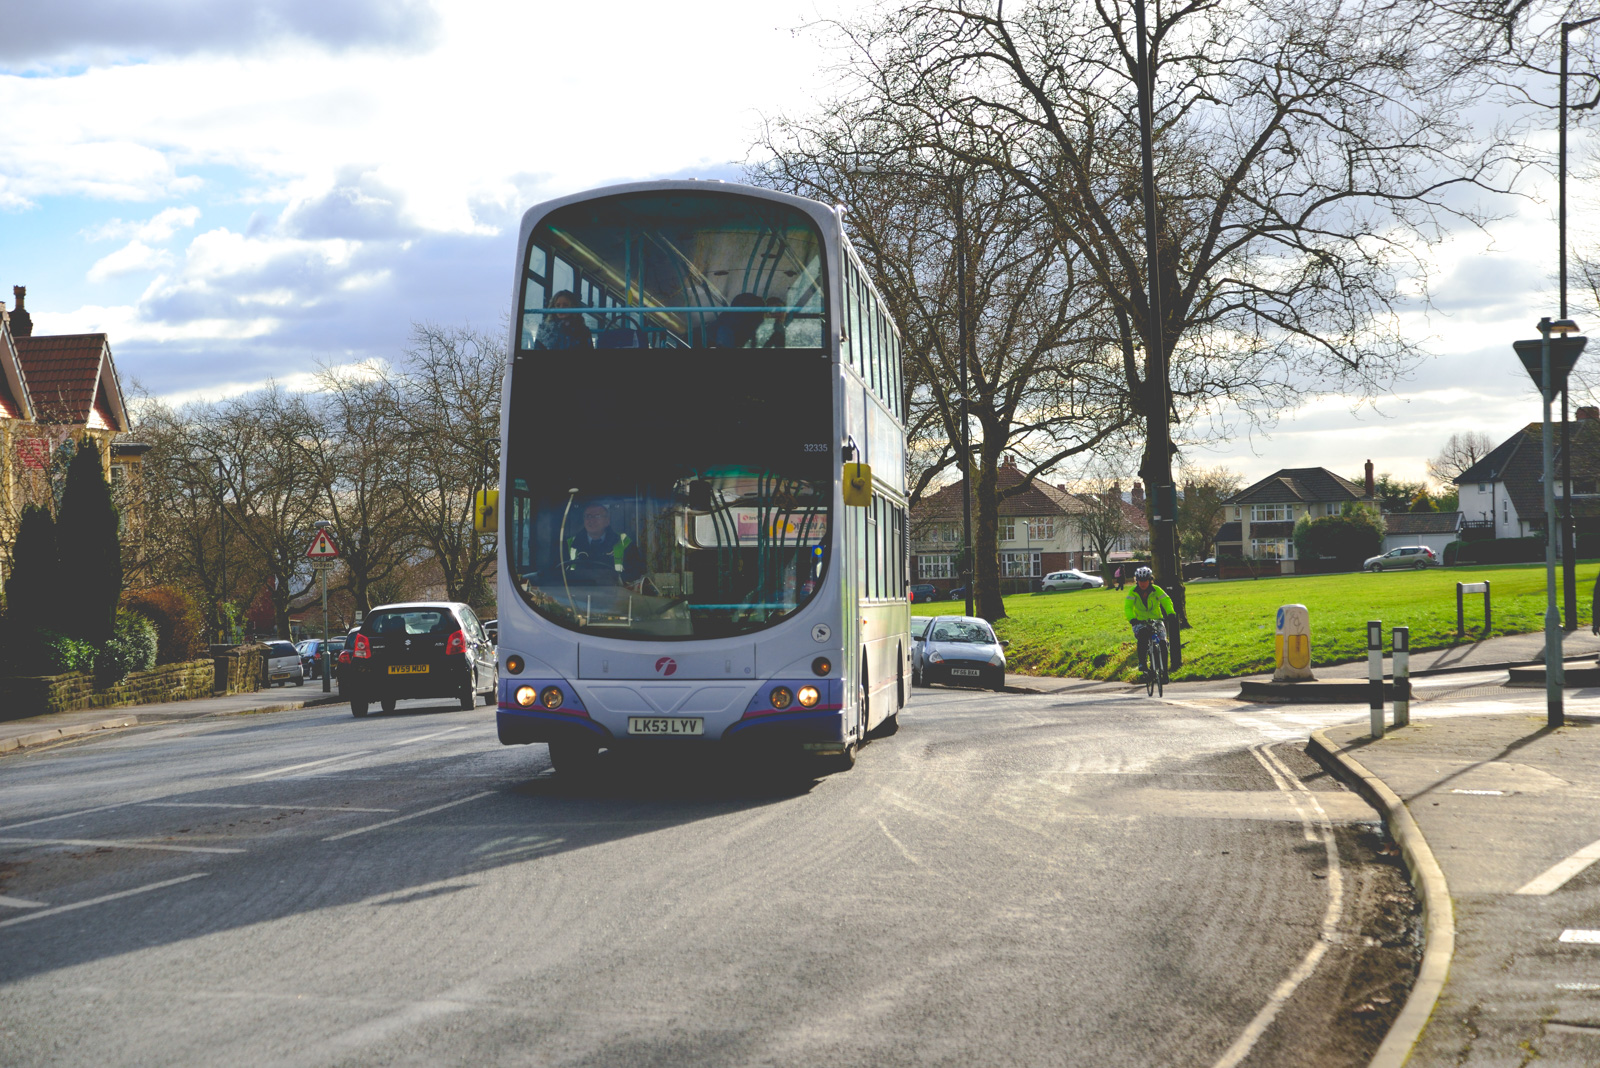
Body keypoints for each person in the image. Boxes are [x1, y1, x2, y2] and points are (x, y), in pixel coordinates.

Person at [564, 503, 644, 585]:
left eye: (597, 516)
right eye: (588, 516)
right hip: (575, 595)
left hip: (616, 595)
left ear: (607, 521)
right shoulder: (568, 545)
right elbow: (557, 575)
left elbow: (635, 575)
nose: (591, 520)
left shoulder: (625, 544)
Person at [1124, 565, 1176, 679]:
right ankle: (1142, 662)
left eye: (1145, 580)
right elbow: (1128, 607)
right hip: (1140, 621)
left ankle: (1164, 671)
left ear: (1150, 580)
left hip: (1156, 620)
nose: (1143, 583)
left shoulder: (1156, 590)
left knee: (1163, 643)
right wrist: (1132, 619)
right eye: (1140, 581)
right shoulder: (1133, 591)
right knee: (1142, 636)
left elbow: (1166, 601)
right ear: (1136, 581)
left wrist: (1171, 613)